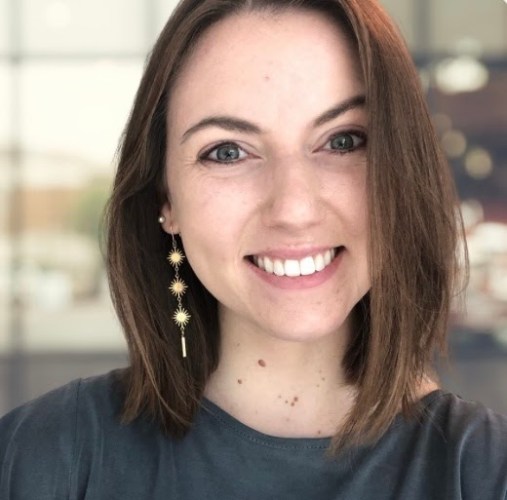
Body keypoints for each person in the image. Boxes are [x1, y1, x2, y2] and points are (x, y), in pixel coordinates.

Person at [1, 0, 506, 498]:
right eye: (227, 152)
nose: (293, 208)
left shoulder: (485, 473)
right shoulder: (40, 460)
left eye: (344, 141)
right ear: (165, 198)